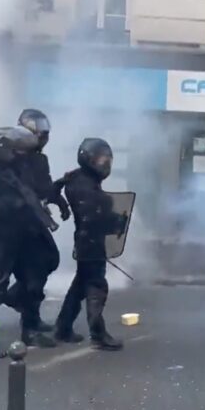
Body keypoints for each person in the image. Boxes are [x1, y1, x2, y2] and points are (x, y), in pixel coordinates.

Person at [0, 126, 57, 348]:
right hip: (0, 240)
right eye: (20, 151)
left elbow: (42, 190)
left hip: (26, 237)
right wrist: (13, 203)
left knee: (32, 283)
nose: (24, 155)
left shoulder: (24, 172)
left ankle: (30, 330)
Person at [52, 138, 128, 350]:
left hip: (86, 241)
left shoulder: (77, 179)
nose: (106, 164)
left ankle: (63, 327)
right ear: (89, 159)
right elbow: (95, 218)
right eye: (102, 159)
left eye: (108, 160)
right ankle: (98, 333)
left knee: (79, 288)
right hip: (91, 243)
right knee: (96, 286)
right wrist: (116, 222)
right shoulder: (87, 188)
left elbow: (58, 187)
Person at [5, 109, 70, 333]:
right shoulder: (12, 158)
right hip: (16, 225)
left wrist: (60, 197)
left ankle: (20, 303)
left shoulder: (40, 160)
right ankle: (28, 324)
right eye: (39, 134)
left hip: (36, 223)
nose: (43, 139)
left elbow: (45, 189)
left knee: (50, 260)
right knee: (30, 273)